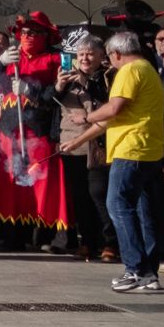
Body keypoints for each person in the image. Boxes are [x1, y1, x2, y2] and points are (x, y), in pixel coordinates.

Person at [66, 30, 164, 292]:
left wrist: (85, 117)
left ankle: (135, 270)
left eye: (110, 57)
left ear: (116, 53)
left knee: (118, 206)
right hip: (149, 150)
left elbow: (114, 109)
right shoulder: (149, 70)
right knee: (146, 213)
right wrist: (76, 142)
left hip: (131, 150)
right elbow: (113, 119)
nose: (111, 63)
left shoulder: (129, 72)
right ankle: (148, 273)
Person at [0, 10, 68, 245]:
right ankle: (12, 235)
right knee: (11, 185)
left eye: (35, 32)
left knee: (39, 184)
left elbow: (57, 96)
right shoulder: (12, 56)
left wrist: (30, 91)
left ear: (46, 35)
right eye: (25, 32)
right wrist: (0, 62)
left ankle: (41, 236)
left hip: (39, 132)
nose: (29, 36)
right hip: (10, 132)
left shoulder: (55, 60)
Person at [55, 33, 115, 261]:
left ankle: (110, 243)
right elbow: (48, 101)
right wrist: (59, 86)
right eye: (80, 54)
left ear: (101, 55)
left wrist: (89, 117)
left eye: (90, 54)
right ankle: (88, 242)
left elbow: (111, 107)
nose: (85, 58)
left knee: (99, 194)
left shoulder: (109, 77)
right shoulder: (68, 77)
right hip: (73, 144)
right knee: (80, 197)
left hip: (100, 143)